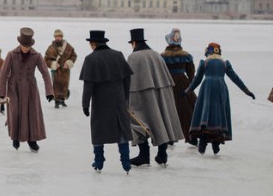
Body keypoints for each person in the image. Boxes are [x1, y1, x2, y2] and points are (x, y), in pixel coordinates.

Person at [126, 28, 183, 167]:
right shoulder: (156, 55)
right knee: (160, 119)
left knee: (137, 121)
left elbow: (129, 81)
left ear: (134, 42)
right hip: (160, 93)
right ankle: (162, 154)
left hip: (141, 95)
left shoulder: (133, 57)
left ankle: (144, 155)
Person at [186, 42, 255, 155]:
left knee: (206, 112)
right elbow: (235, 78)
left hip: (207, 87)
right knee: (219, 112)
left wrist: (187, 91)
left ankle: (203, 140)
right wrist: (246, 91)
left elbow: (197, 80)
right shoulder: (224, 63)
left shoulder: (204, 63)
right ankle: (216, 142)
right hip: (221, 88)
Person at [80, 30, 134, 173]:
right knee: (121, 131)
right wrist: (124, 97)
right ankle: (126, 163)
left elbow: (88, 85)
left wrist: (85, 104)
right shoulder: (118, 55)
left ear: (93, 43)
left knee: (98, 132)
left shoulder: (90, 59)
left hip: (100, 103)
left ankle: (98, 162)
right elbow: (127, 78)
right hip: (118, 101)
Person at [0, 27, 54, 151]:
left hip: (30, 89)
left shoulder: (37, 56)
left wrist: (49, 91)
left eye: (27, 46)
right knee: (15, 112)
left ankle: (32, 141)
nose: (25, 48)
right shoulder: (11, 54)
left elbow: (45, 73)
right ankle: (15, 138)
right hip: (14, 88)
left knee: (32, 114)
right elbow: (3, 73)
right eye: (23, 45)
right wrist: (2, 92)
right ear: (20, 43)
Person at [160, 28, 198, 145]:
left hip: (168, 84)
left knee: (169, 110)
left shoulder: (162, 56)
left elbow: (160, 73)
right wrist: (191, 87)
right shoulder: (186, 55)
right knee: (188, 110)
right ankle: (191, 136)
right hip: (184, 84)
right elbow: (191, 74)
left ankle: (170, 137)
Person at [43, 29, 77, 108]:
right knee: (56, 86)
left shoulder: (68, 47)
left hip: (65, 70)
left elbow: (74, 56)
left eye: (60, 36)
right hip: (56, 71)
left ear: (62, 37)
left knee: (64, 85)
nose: (58, 38)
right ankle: (56, 101)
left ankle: (62, 100)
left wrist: (68, 63)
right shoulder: (51, 48)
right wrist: (53, 64)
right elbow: (46, 59)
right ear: (54, 37)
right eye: (57, 36)